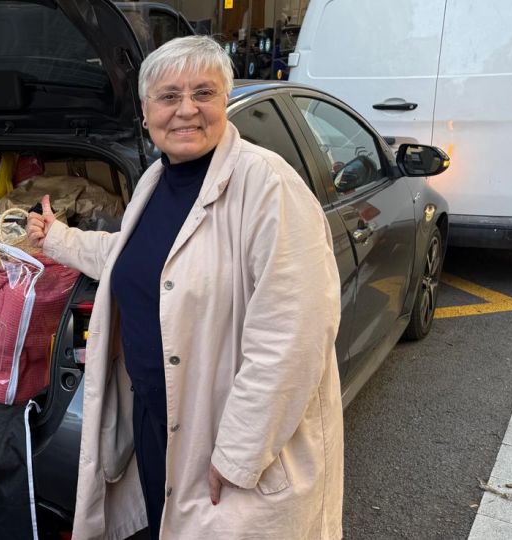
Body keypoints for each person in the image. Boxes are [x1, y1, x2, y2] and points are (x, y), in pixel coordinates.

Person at [27, 36, 343, 539]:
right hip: (160, 423)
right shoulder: (157, 179)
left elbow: (292, 337)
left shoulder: (267, 186)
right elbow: (137, 258)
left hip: (228, 440)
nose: (186, 110)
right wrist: (57, 239)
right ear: (146, 111)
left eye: (204, 93)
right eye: (169, 96)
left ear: (226, 101)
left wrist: (239, 455)